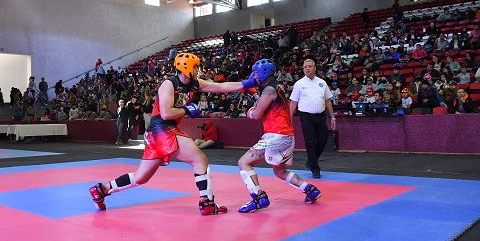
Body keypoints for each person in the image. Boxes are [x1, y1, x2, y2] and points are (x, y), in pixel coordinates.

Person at [89, 52, 257, 216]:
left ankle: (102, 189)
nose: (199, 70)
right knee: (200, 159)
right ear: (187, 67)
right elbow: (166, 113)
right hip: (161, 128)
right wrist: (186, 109)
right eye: (196, 67)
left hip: (158, 133)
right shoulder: (168, 85)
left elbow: (219, 87)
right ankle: (207, 203)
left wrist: (245, 84)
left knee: (141, 177)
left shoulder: (194, 83)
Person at [237, 59, 321, 212]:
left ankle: (259, 197)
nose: (254, 76)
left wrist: (249, 112)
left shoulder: (269, 90)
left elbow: (256, 115)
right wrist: (254, 96)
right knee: (280, 171)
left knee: (243, 162)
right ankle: (309, 189)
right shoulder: (277, 87)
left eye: (256, 73)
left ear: (263, 73)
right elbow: (267, 104)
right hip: (287, 136)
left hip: (276, 136)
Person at [289, 59, 336, 179]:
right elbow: (293, 102)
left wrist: (333, 117)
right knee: (311, 142)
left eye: (309, 66)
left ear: (315, 68)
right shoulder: (299, 84)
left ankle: (310, 162)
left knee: (323, 140)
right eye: (305, 67)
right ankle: (315, 168)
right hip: (306, 116)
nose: (307, 69)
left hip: (320, 115)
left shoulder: (322, 82)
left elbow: (327, 100)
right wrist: (289, 119)